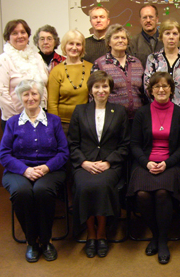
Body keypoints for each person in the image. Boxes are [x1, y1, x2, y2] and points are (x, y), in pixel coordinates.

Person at [0, 79, 69, 263]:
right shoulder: (12, 123)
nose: (31, 98)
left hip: (51, 170)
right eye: (26, 94)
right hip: (17, 172)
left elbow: (64, 152)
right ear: (21, 98)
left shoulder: (53, 121)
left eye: (34, 94)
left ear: (41, 96)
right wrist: (25, 170)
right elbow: (4, 155)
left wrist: (47, 167)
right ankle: (31, 241)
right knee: (22, 192)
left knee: (41, 190)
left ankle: (46, 242)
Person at [127, 72, 180, 264]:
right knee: (142, 195)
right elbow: (134, 144)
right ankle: (154, 235)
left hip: (171, 163)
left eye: (165, 86)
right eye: (156, 87)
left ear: (172, 89)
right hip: (144, 162)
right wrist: (146, 162)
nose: (161, 90)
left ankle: (162, 240)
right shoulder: (141, 113)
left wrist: (166, 163)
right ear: (150, 91)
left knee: (162, 192)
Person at [68, 71, 129, 258]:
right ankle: (90, 234)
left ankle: (102, 233)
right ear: (91, 90)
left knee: (102, 186)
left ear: (110, 89)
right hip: (84, 163)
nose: (101, 90)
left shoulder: (119, 111)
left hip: (109, 165)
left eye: (105, 86)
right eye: (97, 86)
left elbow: (125, 144)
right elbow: (72, 144)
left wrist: (109, 162)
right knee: (85, 186)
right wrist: (84, 163)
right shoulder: (80, 111)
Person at [0, 19, 48, 130]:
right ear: (8, 37)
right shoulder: (4, 59)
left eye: (23, 32)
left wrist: (43, 109)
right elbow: (0, 93)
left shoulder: (37, 57)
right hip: (15, 119)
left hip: (40, 116)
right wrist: (19, 118)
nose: (20, 36)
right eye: (14, 33)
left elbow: (44, 85)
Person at [92, 24, 144, 120]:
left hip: (137, 118)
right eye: (116, 38)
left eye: (123, 38)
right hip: (112, 119)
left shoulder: (136, 62)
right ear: (109, 42)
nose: (120, 40)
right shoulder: (100, 64)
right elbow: (93, 94)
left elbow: (143, 90)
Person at [144, 19, 180, 112]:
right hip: (157, 110)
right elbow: (147, 85)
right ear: (161, 37)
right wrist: (160, 105)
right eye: (167, 33)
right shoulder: (153, 59)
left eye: (175, 34)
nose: (171, 37)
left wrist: (176, 109)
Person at [48, 30, 93, 134]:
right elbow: (52, 103)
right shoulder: (56, 71)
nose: (74, 47)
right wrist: (55, 125)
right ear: (64, 46)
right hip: (63, 124)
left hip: (85, 123)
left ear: (82, 47)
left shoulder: (90, 68)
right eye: (71, 43)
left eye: (78, 44)